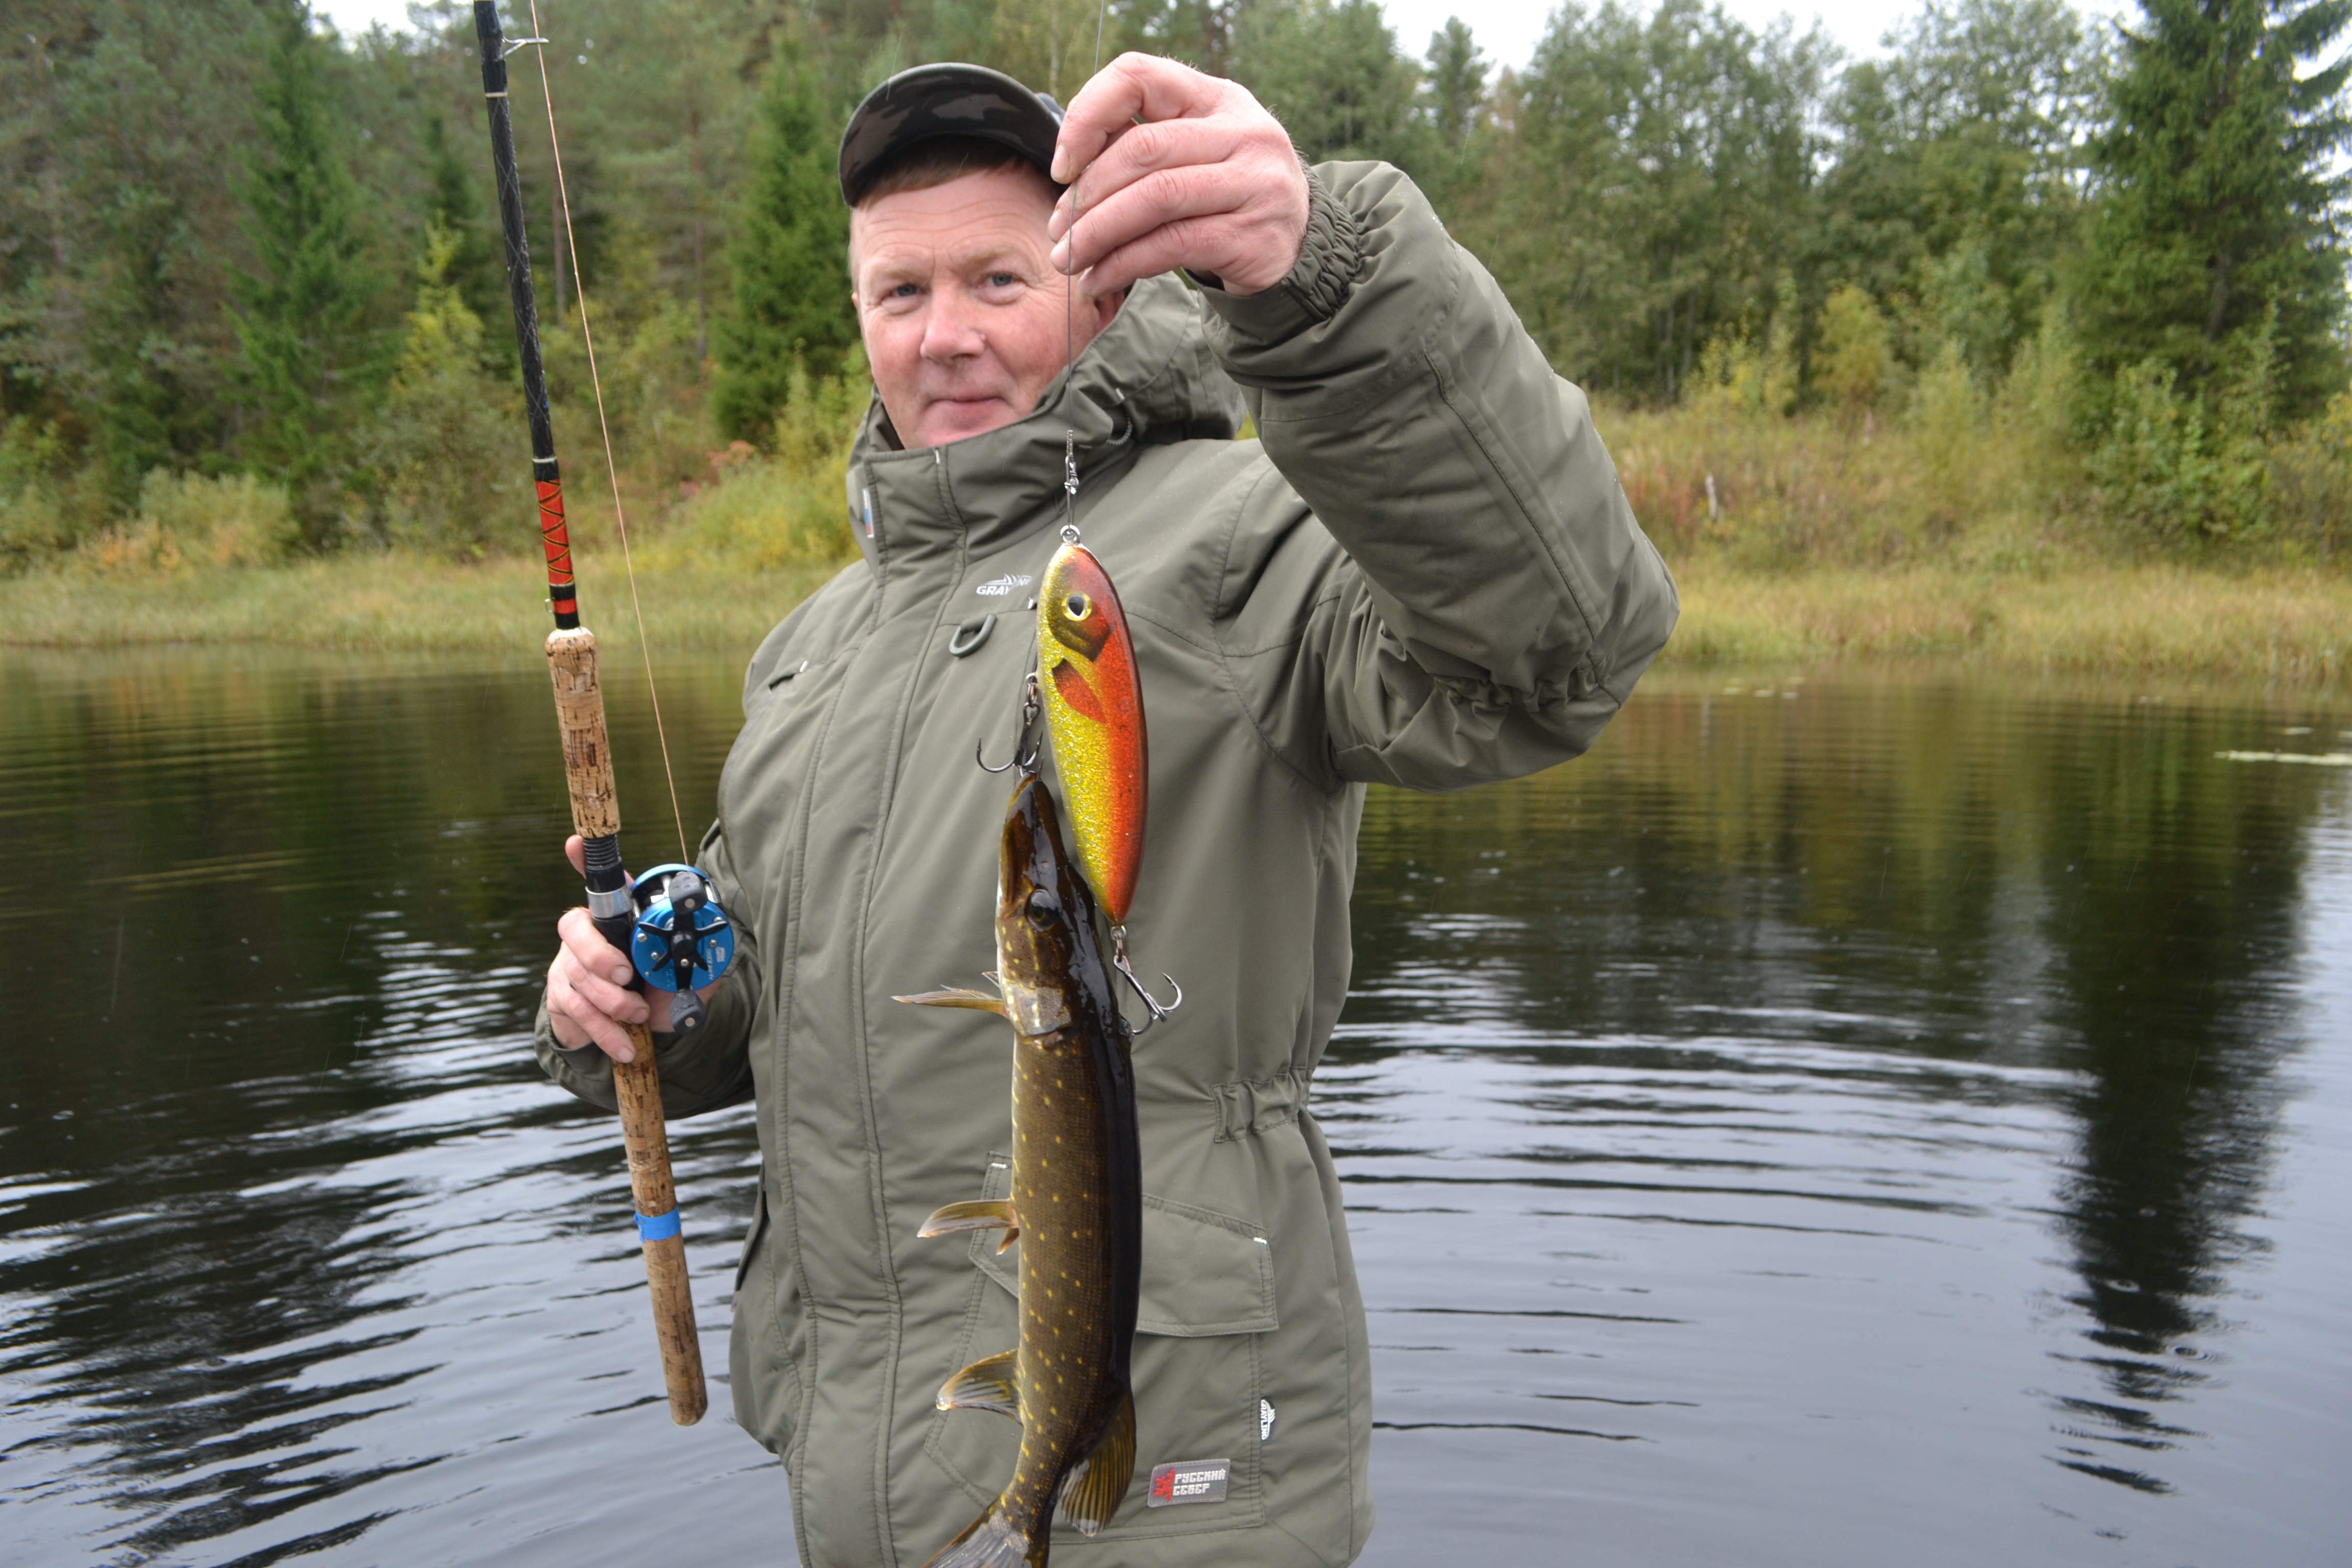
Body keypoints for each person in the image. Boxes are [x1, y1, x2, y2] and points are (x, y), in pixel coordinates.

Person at [538, 52, 1676, 1568]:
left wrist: (1325, 281)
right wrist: (641, 1002)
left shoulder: (1245, 534)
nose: (944, 334)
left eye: (999, 278)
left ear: (1106, 287)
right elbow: (759, 1000)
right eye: (899, 291)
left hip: (1173, 1491)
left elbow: (1559, 654)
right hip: (863, 1478)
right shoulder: (814, 648)